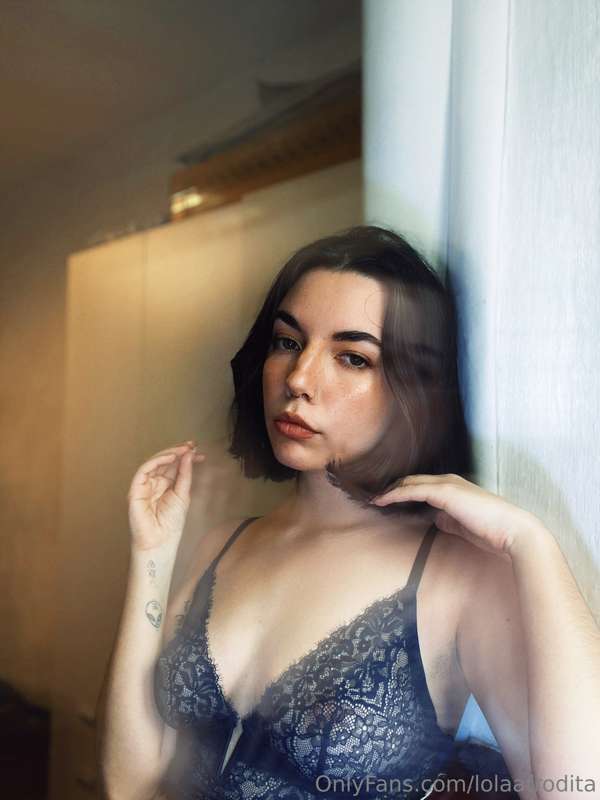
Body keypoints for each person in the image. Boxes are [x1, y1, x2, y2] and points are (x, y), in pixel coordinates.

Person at [96, 226, 600, 800]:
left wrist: (531, 543)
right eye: (288, 342)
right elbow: (128, 782)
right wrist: (152, 556)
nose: (299, 379)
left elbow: (577, 788)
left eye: (353, 357)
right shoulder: (223, 544)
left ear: (415, 387)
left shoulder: (461, 576)